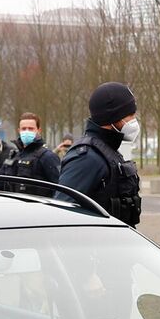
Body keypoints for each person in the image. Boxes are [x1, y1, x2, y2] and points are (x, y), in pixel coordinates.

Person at [59, 82, 142, 227]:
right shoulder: (87, 158)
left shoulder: (109, 151)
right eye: (130, 115)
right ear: (113, 116)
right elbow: (63, 213)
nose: (134, 120)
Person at [0, 112, 60, 195]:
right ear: (19, 130)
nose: (26, 132)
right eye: (24, 129)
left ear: (39, 130)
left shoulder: (47, 157)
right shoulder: (13, 156)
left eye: (30, 129)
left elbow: (60, 188)